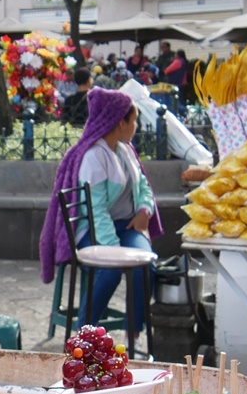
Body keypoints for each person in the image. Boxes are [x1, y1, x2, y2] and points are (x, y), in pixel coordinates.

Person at [40, 87, 163, 350]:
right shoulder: (93, 157)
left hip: (126, 225)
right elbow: (96, 212)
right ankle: (81, 339)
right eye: (134, 120)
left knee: (146, 265)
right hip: (92, 231)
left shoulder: (126, 150)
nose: (136, 125)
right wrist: (114, 252)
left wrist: (144, 211)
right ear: (121, 122)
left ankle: (134, 333)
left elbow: (142, 185)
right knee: (109, 273)